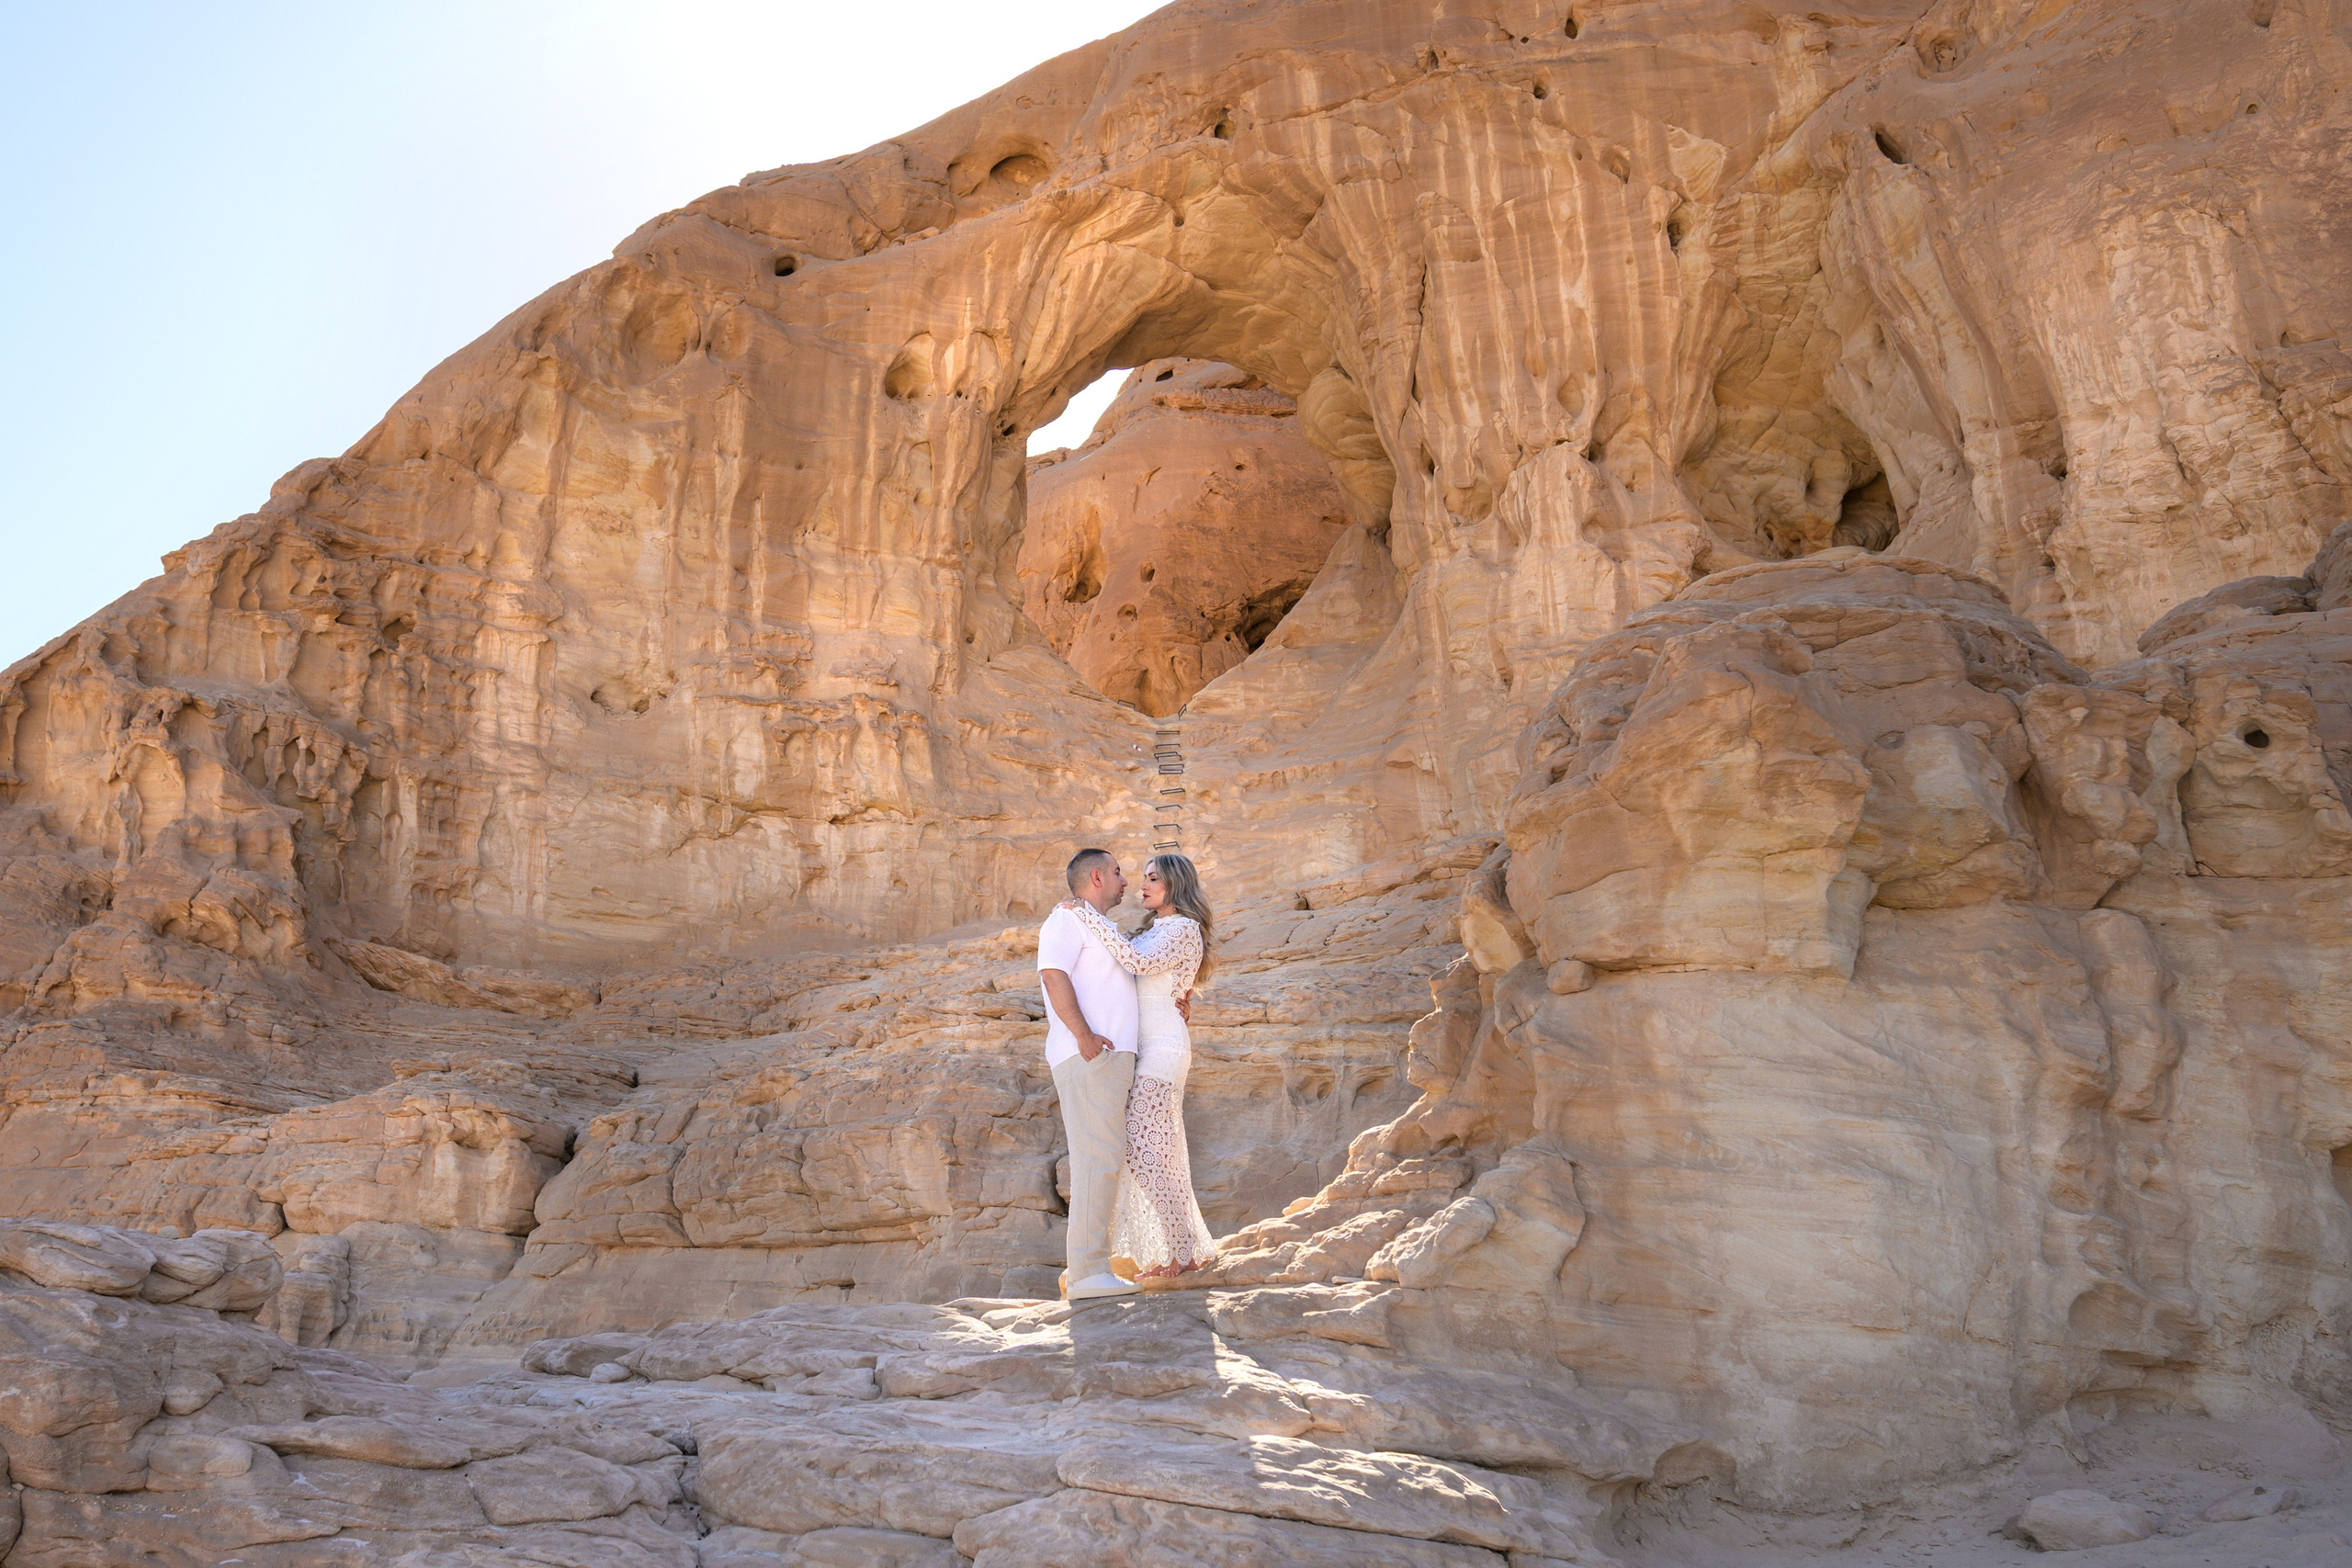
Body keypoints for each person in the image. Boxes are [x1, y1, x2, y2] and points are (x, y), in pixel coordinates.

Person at [1060, 852, 1216, 1280]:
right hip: (1145, 1050)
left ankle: (1180, 1252)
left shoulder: (1183, 928)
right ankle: (1181, 1251)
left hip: (1163, 1050)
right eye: (1143, 877)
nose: (1142, 885)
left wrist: (1088, 916)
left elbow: (1141, 965)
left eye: (1153, 878)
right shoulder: (1152, 931)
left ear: (1175, 885)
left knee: (1144, 1151)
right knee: (1155, 1153)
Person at [1036, 848, 1142, 1301]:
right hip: (1090, 1055)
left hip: (1106, 1057)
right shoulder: (1065, 921)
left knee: (1105, 1159)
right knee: (1096, 1160)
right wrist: (1083, 1036)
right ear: (1097, 877)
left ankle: (1093, 1268)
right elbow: (1052, 974)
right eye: (1118, 872)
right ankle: (1086, 1272)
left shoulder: (1101, 928)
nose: (1125, 880)